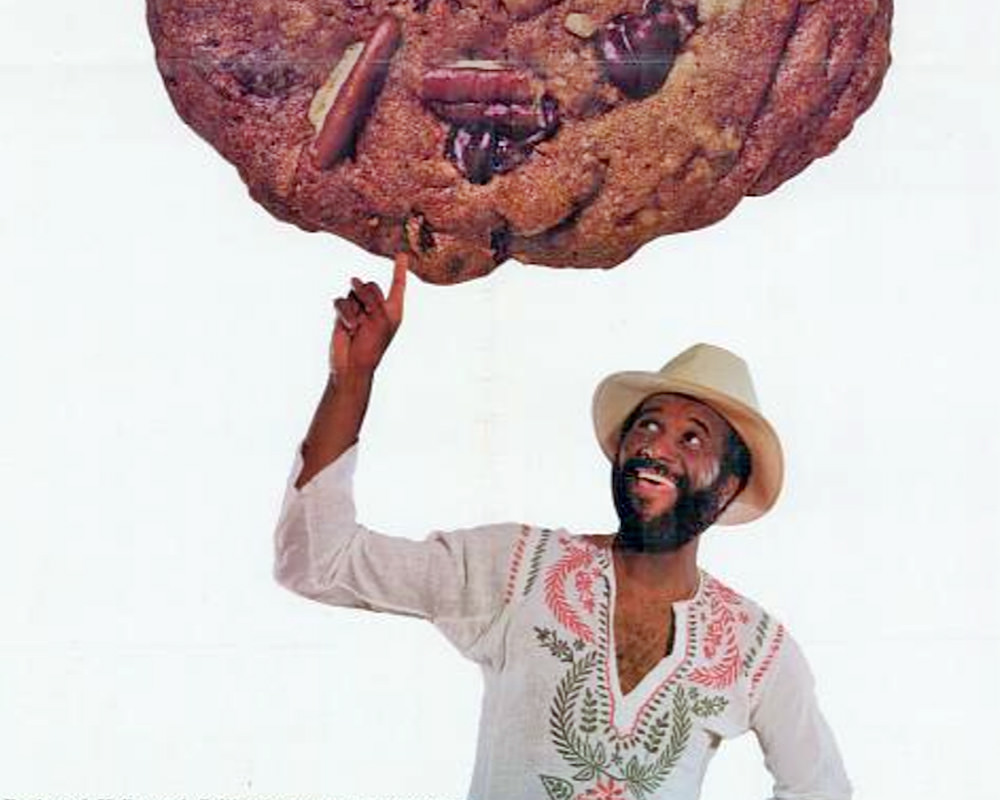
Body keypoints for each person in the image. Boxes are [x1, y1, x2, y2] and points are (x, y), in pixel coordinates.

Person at [274, 253, 852, 800]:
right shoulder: (520, 570)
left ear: (727, 487)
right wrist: (351, 381)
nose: (657, 448)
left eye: (692, 437)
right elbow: (319, 561)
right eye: (646, 427)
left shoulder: (753, 647)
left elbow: (821, 788)